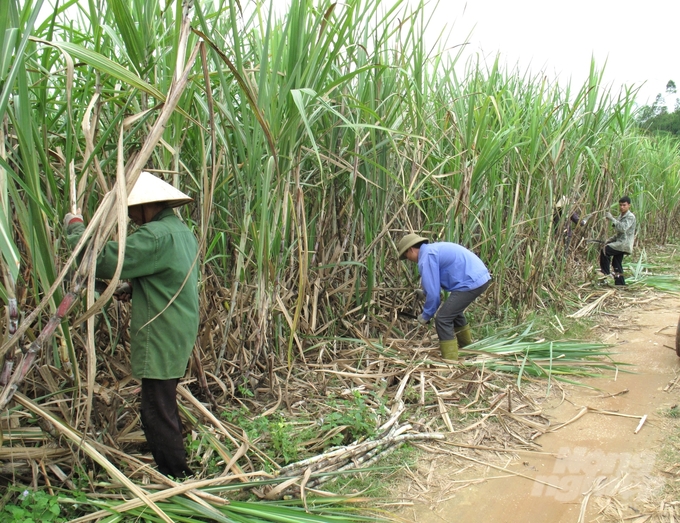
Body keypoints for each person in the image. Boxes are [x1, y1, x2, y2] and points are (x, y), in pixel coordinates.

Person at [64, 172, 199, 478]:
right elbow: (170, 277)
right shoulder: (179, 231)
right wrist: (136, 287)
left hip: (162, 329)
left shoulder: (154, 236)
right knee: (163, 402)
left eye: (131, 209)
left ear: (145, 206)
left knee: (156, 410)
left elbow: (99, 259)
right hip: (178, 326)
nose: (130, 217)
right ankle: (177, 468)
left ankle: (177, 476)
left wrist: (76, 229)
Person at [397, 233, 491, 361]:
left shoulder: (427, 257)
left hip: (471, 282)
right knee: (454, 312)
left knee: (442, 319)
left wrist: (425, 316)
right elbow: (434, 284)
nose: (409, 259)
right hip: (479, 277)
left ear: (411, 250)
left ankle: (450, 361)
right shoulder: (433, 250)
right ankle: (468, 349)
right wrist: (425, 293)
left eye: (406, 256)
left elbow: (435, 295)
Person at [599, 195, 636, 286]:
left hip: (624, 244)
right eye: (620, 205)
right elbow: (619, 234)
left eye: (624, 205)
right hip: (620, 243)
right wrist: (609, 240)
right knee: (616, 263)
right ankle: (620, 284)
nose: (622, 207)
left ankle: (605, 274)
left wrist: (612, 218)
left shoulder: (630, 217)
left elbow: (623, 228)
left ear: (629, 205)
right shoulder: (621, 216)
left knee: (605, 250)